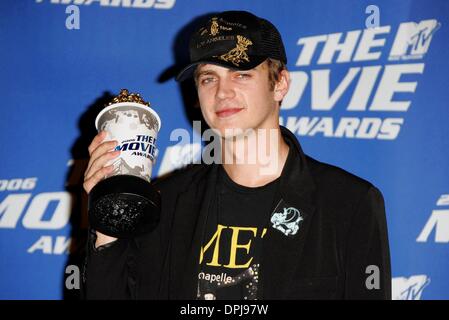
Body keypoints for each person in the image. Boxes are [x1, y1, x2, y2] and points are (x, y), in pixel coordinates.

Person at [82, 10, 391, 300]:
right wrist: (110, 216)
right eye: (208, 78)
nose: (222, 92)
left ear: (280, 83)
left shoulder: (349, 203)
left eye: (241, 73)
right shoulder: (167, 202)